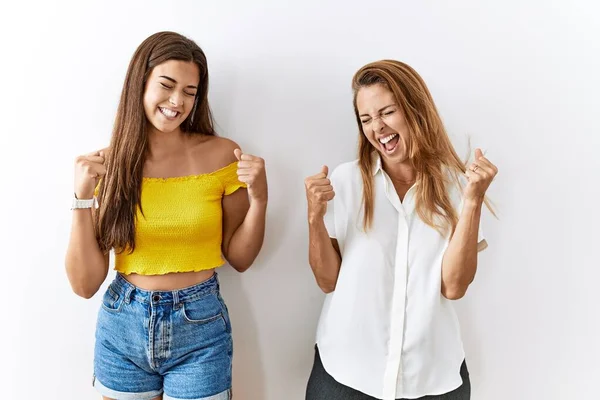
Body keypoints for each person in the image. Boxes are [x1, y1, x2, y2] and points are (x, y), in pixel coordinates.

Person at [65, 31, 268, 400]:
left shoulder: (224, 154)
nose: (177, 101)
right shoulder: (106, 165)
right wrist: (82, 199)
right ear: (140, 83)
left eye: (190, 92)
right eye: (167, 85)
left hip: (200, 326)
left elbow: (240, 258)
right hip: (122, 325)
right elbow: (84, 285)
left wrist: (260, 199)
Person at [304, 60, 497, 400]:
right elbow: (327, 281)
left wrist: (472, 202)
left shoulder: (458, 185)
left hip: (431, 378)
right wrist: (314, 218)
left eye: (387, 112)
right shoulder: (345, 181)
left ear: (414, 109)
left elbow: (454, 287)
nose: (377, 127)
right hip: (346, 376)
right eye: (366, 119)